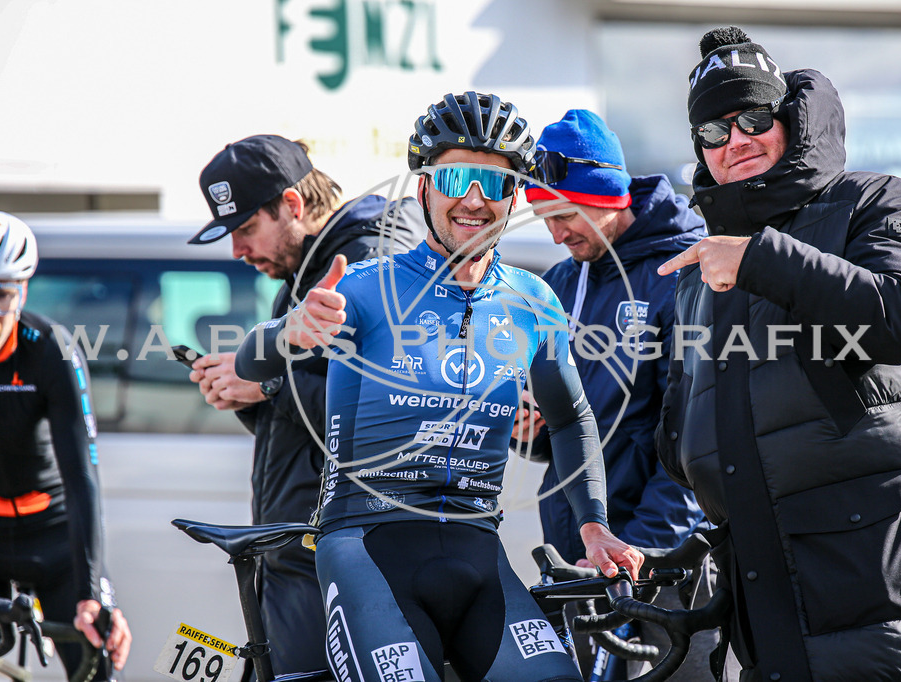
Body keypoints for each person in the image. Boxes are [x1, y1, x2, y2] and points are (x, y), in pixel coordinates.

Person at [235, 91, 643, 681]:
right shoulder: (368, 288)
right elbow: (251, 363)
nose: (474, 201)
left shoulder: (532, 301)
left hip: (479, 549)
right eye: (456, 177)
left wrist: (594, 524)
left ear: (513, 198)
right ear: (424, 187)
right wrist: (288, 332)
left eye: (495, 184)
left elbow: (570, 419)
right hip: (365, 546)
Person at [654, 26, 901, 680]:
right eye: (714, 132)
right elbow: (685, 435)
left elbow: (899, 316)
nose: (735, 140)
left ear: (788, 118)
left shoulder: (872, 201)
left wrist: (759, 259)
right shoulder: (700, 273)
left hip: (882, 589)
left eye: (751, 118)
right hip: (765, 598)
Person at [187, 134, 423, 675]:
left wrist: (268, 385)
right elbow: (308, 431)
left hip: (346, 555)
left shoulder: (367, 261)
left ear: (292, 204)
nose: (238, 250)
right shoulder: (301, 274)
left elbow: (386, 414)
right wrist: (241, 391)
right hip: (296, 554)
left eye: (246, 229)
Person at [519, 109, 733, 679]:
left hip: (663, 564)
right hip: (579, 559)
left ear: (609, 193)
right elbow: (572, 424)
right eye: (544, 219)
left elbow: (698, 439)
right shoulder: (562, 283)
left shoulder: (684, 270)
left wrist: (639, 552)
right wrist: (533, 432)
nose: (556, 235)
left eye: (564, 214)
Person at [0, 209, 131, 678]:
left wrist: (92, 593)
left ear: (22, 293)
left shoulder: (50, 348)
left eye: (0, 294)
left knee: (99, 660)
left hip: (52, 537)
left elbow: (82, 475)